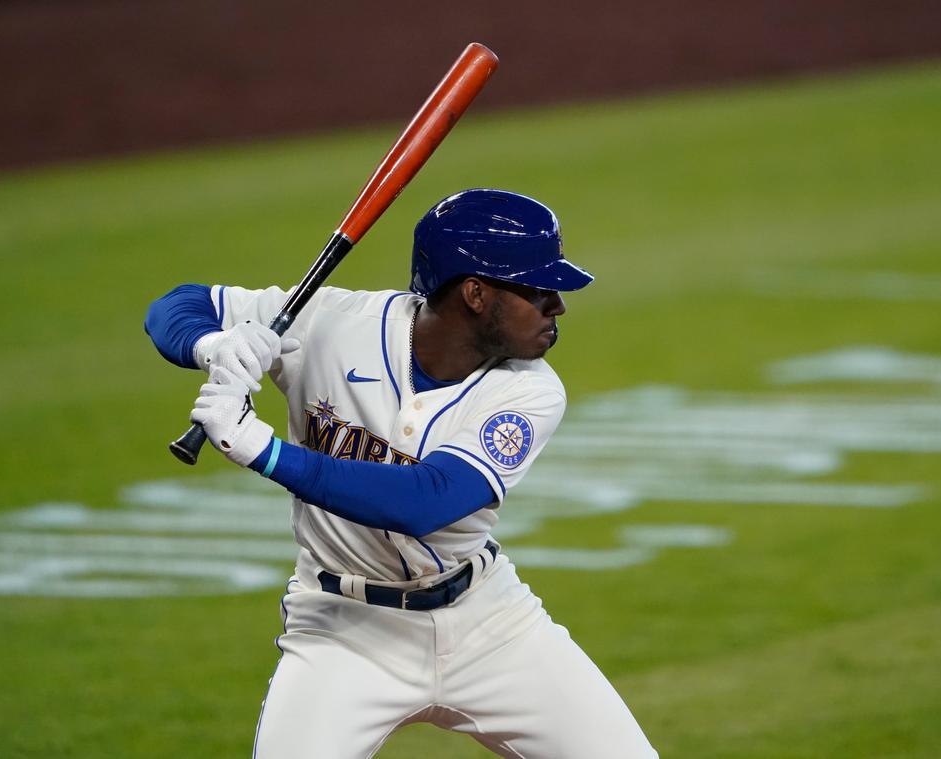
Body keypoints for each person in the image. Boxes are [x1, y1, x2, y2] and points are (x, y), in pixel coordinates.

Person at [145, 188, 657, 758]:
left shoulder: (530, 389)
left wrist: (262, 450)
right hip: (342, 631)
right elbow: (175, 305)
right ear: (476, 293)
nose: (557, 305)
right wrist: (215, 344)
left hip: (488, 626)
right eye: (538, 289)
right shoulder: (330, 323)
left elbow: (426, 501)